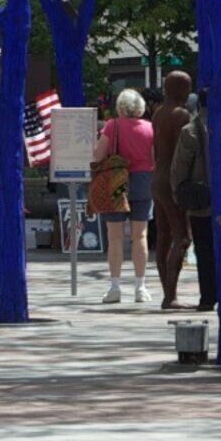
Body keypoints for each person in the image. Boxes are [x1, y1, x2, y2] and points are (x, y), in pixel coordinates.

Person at [150, 72, 214, 311]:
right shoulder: (181, 115)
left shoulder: (158, 114)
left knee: (164, 237)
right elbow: (183, 156)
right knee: (182, 237)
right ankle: (171, 296)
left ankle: (168, 292)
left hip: (157, 178)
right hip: (172, 181)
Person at [95, 89, 156, 305]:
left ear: (120, 107)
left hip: (116, 181)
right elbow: (154, 159)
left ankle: (115, 287)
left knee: (115, 237)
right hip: (143, 181)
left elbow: (98, 154)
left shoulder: (113, 126)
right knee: (140, 236)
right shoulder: (150, 128)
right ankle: (140, 287)